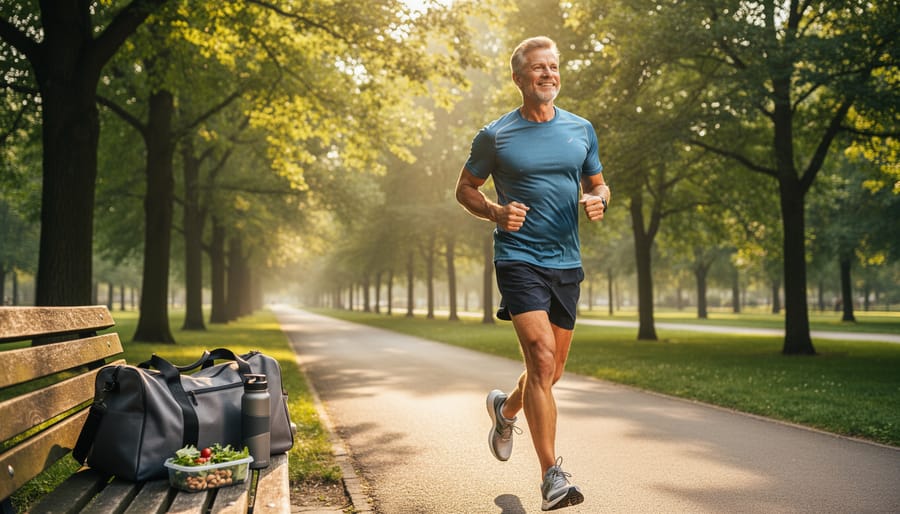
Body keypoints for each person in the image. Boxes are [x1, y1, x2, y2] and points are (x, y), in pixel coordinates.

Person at [455, 36, 609, 511]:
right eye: (538, 68)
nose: (548, 75)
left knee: (551, 372)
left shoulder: (581, 129)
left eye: (554, 67)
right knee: (541, 359)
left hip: (567, 262)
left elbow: (599, 183)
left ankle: (505, 410)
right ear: (519, 78)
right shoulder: (496, 135)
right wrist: (496, 214)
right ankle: (552, 477)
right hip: (519, 258)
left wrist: (598, 200)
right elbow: (464, 189)